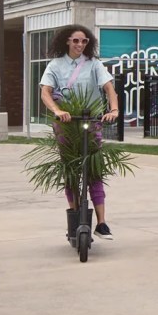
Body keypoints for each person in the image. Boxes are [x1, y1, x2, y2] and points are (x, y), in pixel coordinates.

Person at [38, 25, 120, 240]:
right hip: (66, 123)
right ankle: (74, 215)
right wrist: (57, 110)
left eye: (83, 41)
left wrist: (113, 109)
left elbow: (109, 88)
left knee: (94, 170)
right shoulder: (55, 65)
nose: (79, 45)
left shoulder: (94, 65)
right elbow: (45, 92)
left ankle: (101, 223)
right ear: (67, 41)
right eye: (75, 41)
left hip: (91, 121)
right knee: (71, 170)